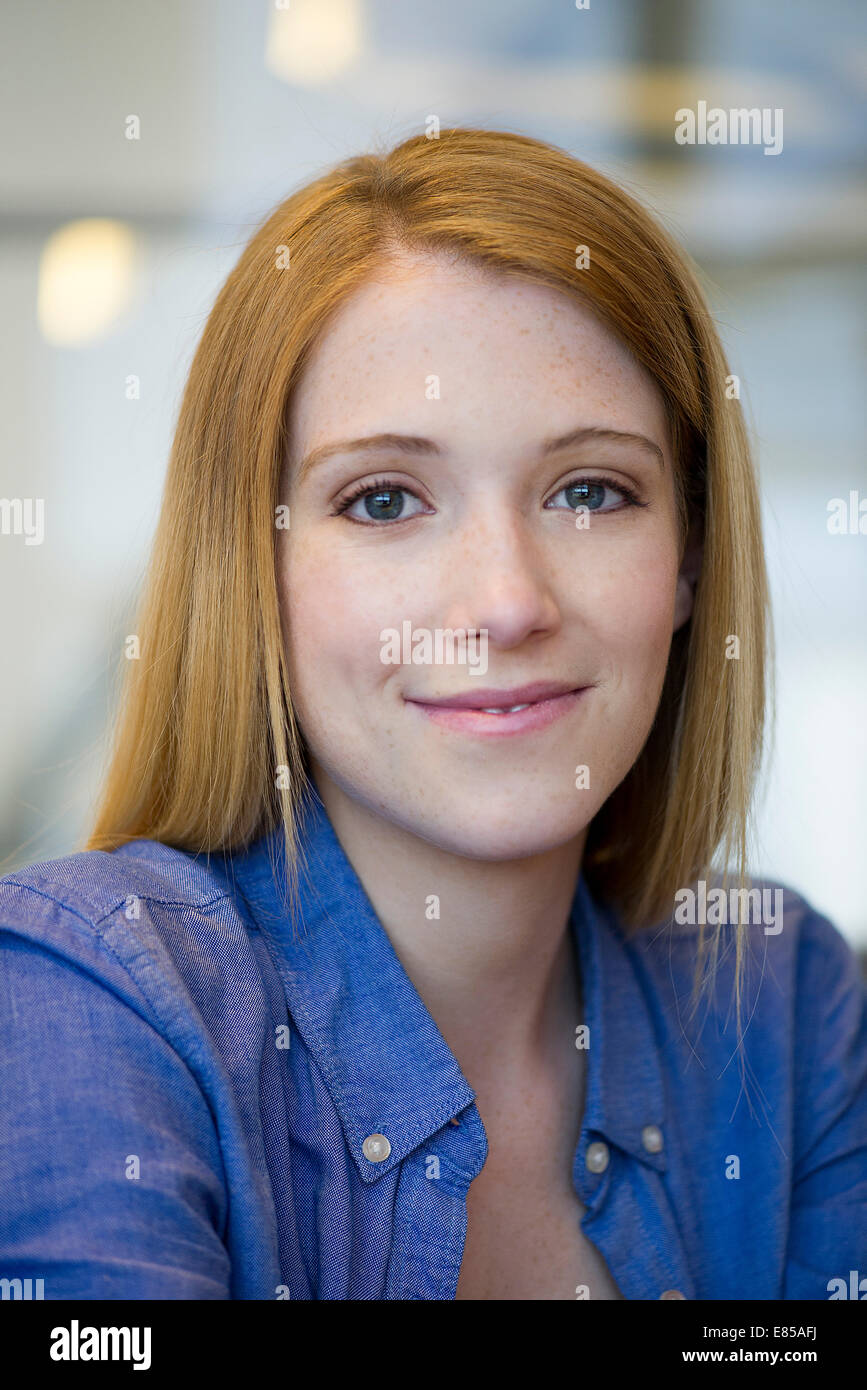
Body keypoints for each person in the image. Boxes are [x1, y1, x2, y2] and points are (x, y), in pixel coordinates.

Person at [1, 128, 864, 1301]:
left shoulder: (782, 997)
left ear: (689, 564)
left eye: (591, 490)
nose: (507, 602)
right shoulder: (84, 995)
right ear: (254, 572)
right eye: (387, 498)